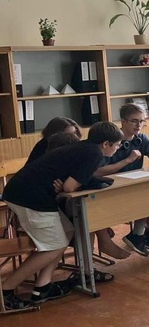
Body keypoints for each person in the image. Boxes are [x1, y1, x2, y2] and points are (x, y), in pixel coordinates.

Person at [2, 121, 123, 310]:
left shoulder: (85, 147)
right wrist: (76, 185)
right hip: (29, 196)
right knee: (53, 246)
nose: (118, 148)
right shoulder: (95, 153)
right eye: (117, 145)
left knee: (67, 231)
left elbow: (68, 183)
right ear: (106, 144)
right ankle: (6, 289)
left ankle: (42, 287)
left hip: (25, 191)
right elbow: (69, 187)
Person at [94, 103, 149, 267]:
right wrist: (127, 161)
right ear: (123, 122)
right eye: (134, 121)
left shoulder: (141, 139)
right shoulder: (111, 140)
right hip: (111, 190)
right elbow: (99, 171)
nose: (139, 125)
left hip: (135, 188)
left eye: (142, 121)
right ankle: (143, 237)